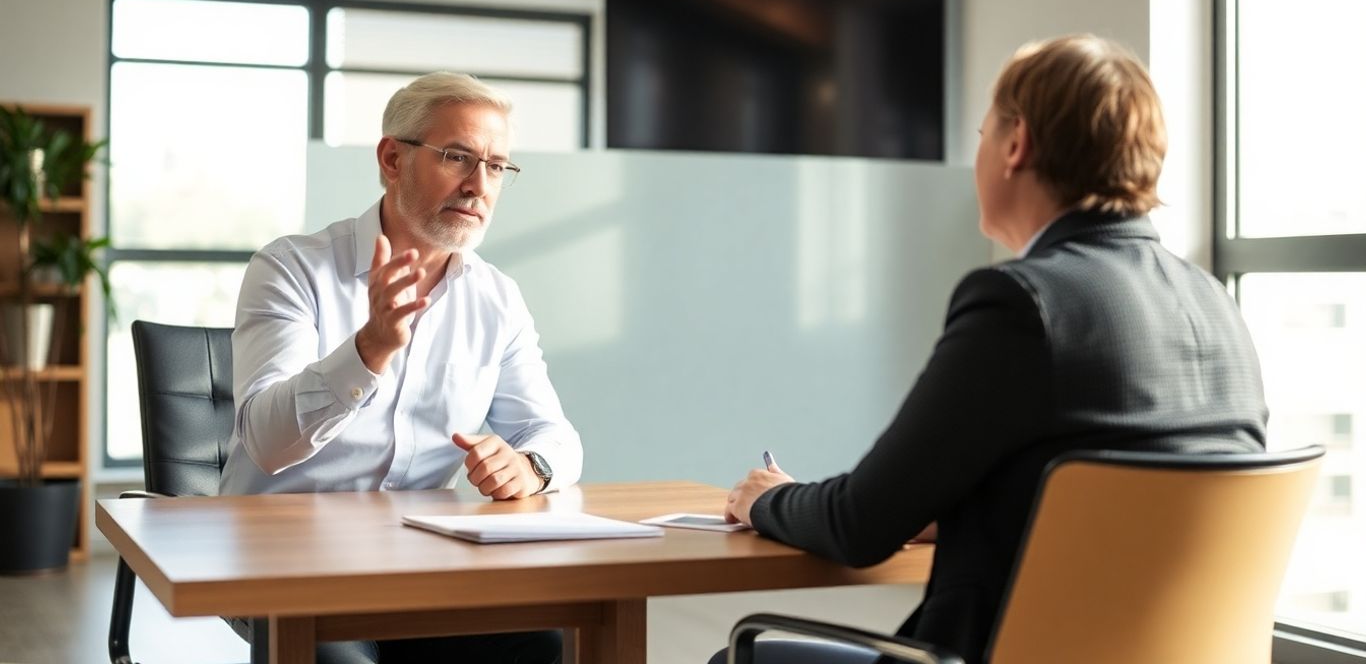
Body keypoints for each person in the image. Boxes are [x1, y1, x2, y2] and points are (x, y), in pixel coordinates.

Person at [714, 35, 1269, 664]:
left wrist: (767, 500)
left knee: (736, 658)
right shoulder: (1215, 303)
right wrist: (961, 512)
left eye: (983, 133)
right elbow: (1117, 512)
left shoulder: (1024, 303)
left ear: (1015, 143)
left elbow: (857, 525)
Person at [220, 71, 581, 663]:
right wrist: (369, 349)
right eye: (458, 157)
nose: (478, 185)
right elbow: (265, 441)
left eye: (496, 167)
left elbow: (555, 435)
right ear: (392, 158)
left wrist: (529, 466)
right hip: (284, 558)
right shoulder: (291, 269)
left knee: (556, 643)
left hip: (420, 561)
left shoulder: (497, 298)